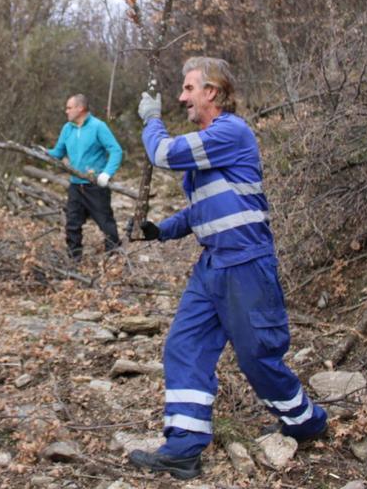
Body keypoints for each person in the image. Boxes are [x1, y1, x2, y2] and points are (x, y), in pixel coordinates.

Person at [127, 57, 328, 480]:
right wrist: (159, 231)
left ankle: (305, 421)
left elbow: (163, 153)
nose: (182, 97)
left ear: (212, 93)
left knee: (258, 359)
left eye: (187, 88)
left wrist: (150, 119)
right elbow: (203, 210)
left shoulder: (230, 133)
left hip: (245, 263)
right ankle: (183, 446)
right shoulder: (211, 140)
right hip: (212, 265)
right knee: (184, 346)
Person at [45, 94, 124, 261]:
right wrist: (43, 152)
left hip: (95, 186)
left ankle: (113, 260)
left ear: (80, 108)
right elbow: (58, 152)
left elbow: (116, 150)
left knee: (106, 224)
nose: (66, 111)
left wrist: (107, 173)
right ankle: (74, 261)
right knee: (72, 225)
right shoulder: (67, 128)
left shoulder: (98, 127)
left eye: (69, 108)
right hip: (75, 186)